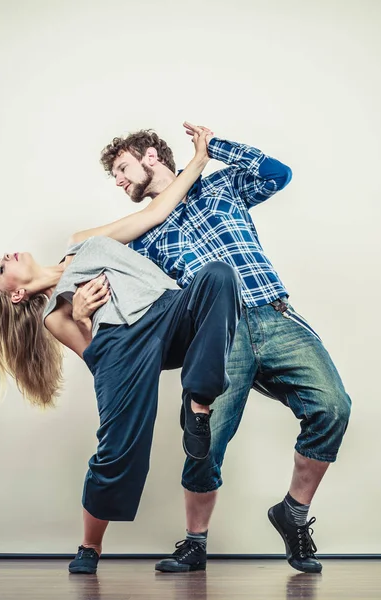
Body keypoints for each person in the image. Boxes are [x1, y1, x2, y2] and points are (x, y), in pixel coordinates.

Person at [0, 127, 243, 575]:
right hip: (122, 346)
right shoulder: (53, 317)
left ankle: (198, 402)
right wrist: (79, 315)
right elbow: (99, 359)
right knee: (118, 450)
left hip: (167, 308)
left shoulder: (82, 240)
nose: (7, 257)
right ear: (14, 294)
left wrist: (197, 160)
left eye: (1, 257)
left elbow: (154, 213)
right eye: (0, 269)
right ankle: (89, 547)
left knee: (218, 275)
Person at [99, 123, 352, 574]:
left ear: (151, 156)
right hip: (218, 337)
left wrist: (214, 147)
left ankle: (292, 514)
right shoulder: (143, 234)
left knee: (332, 407)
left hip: (273, 314)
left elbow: (278, 174)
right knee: (205, 443)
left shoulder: (222, 186)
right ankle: (196, 543)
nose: (119, 182)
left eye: (122, 169)